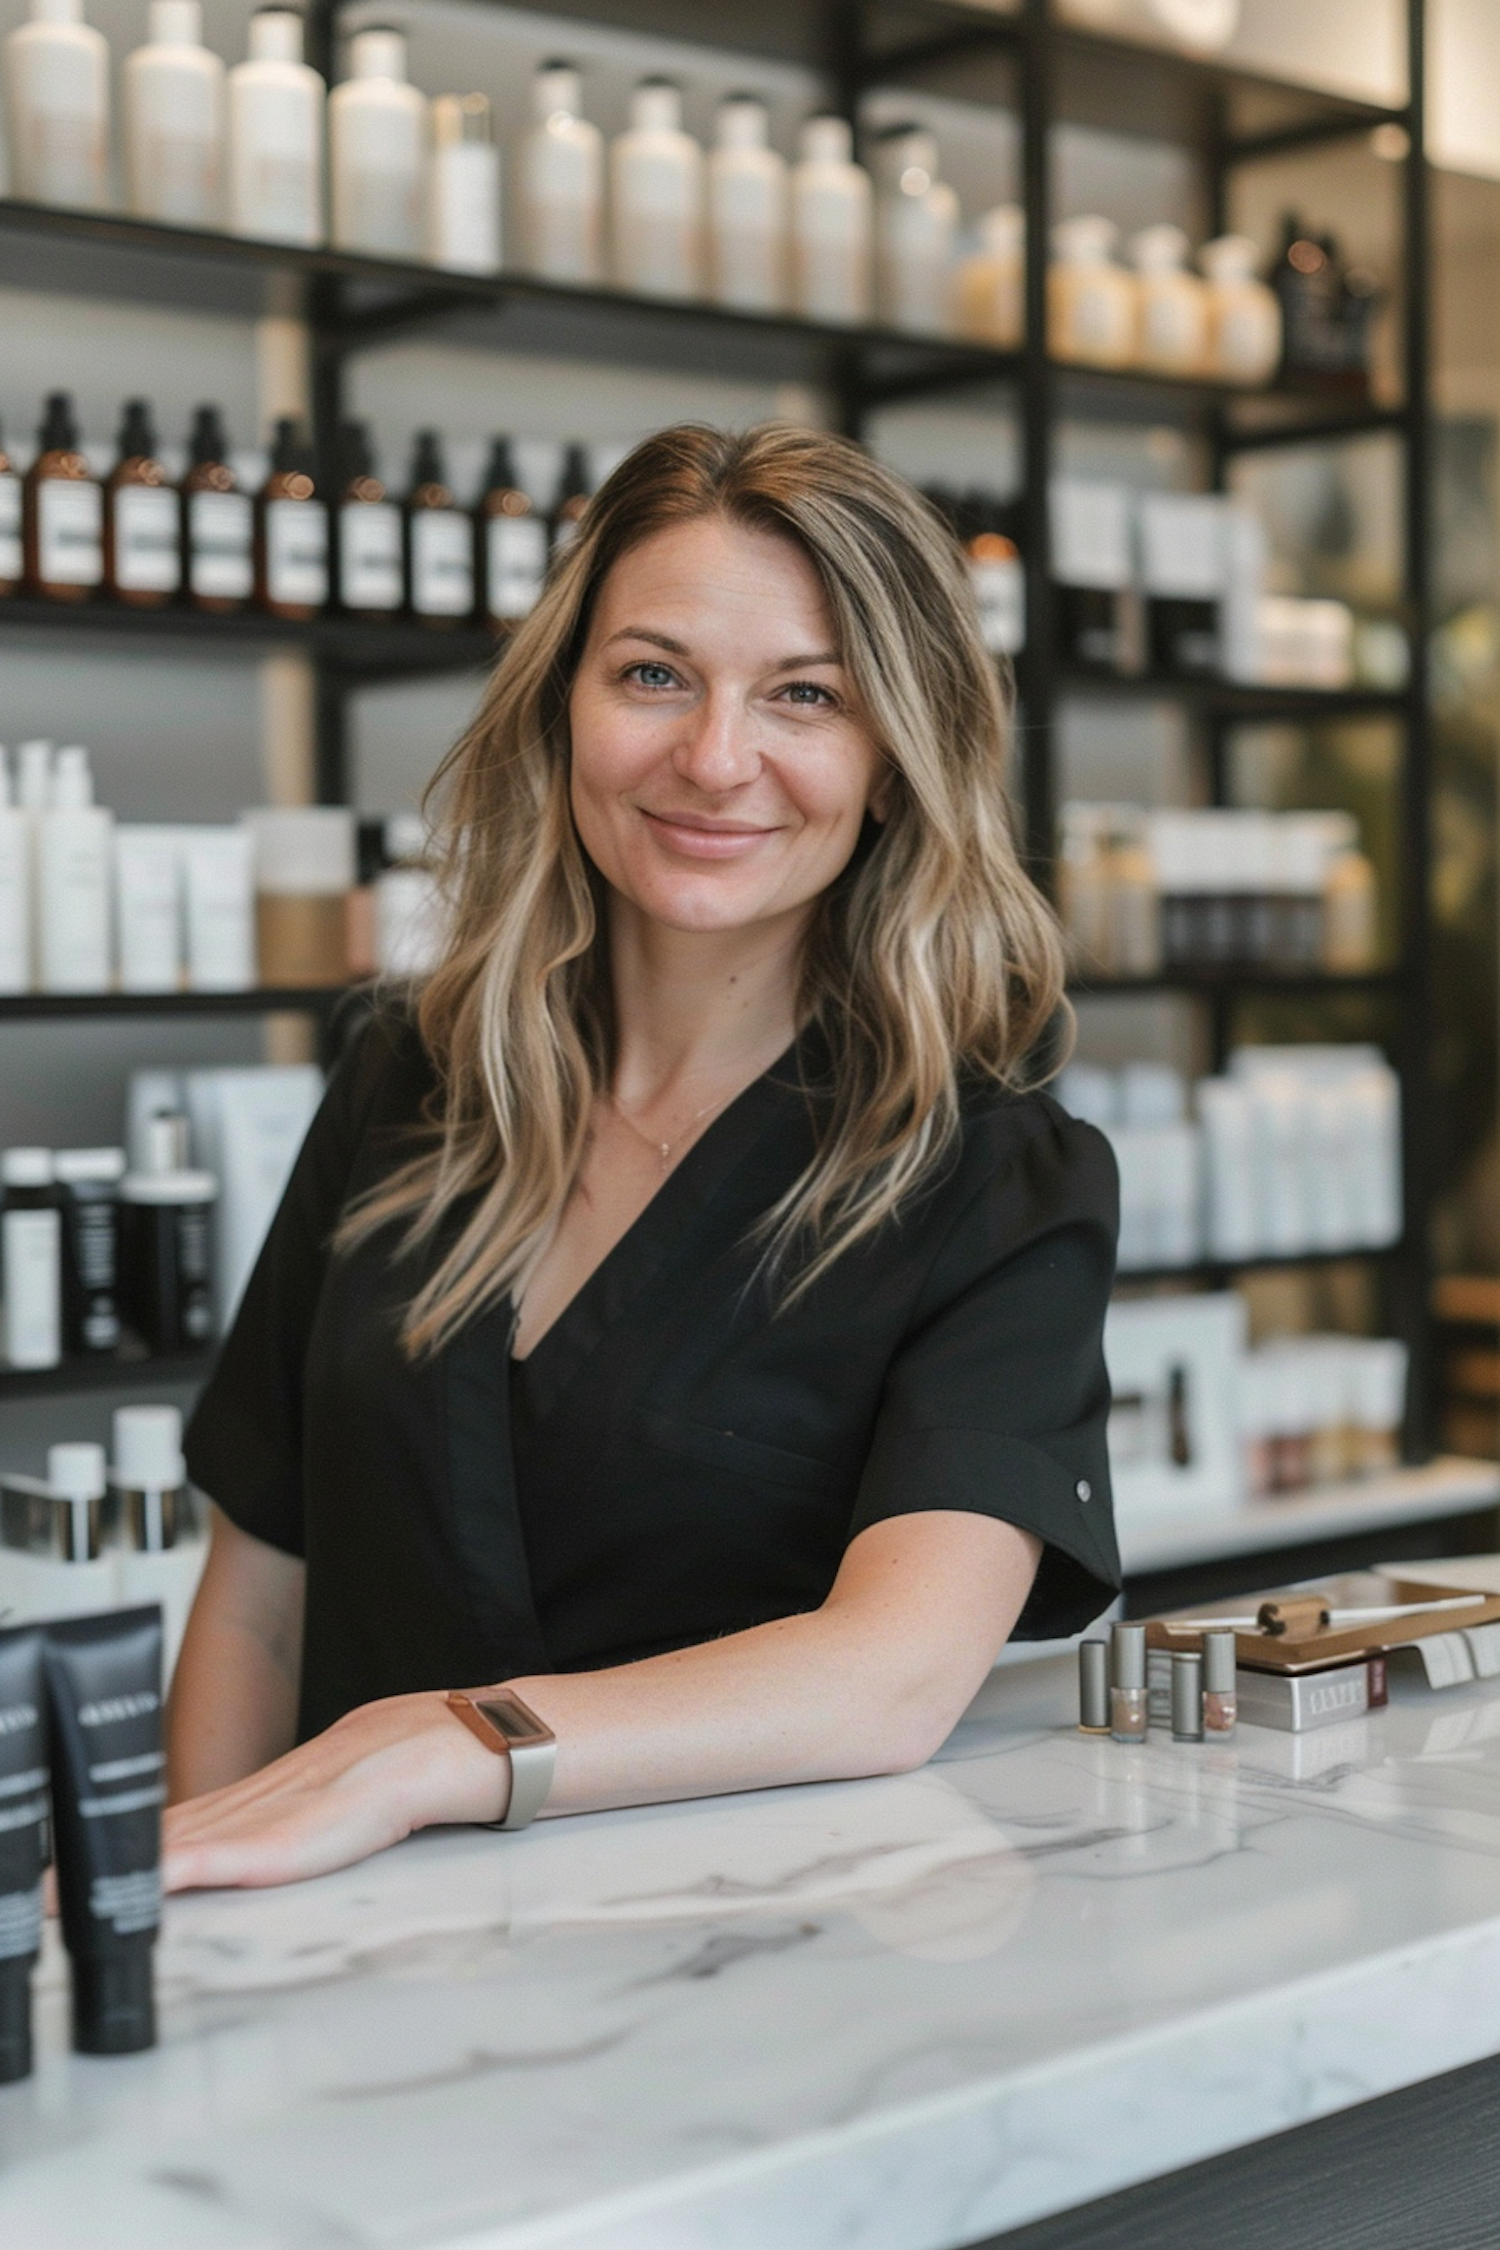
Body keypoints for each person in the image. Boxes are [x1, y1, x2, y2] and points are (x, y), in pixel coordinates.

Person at [164, 421, 1119, 1894]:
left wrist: (447, 1746)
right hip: (342, 2002)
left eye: (806, 695)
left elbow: (890, 1675)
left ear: (891, 766)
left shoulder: (991, 1181)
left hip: (724, 1994)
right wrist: (185, 1925)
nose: (714, 757)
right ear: (564, 708)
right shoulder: (408, 1083)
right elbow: (259, 1602)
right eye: (654, 674)